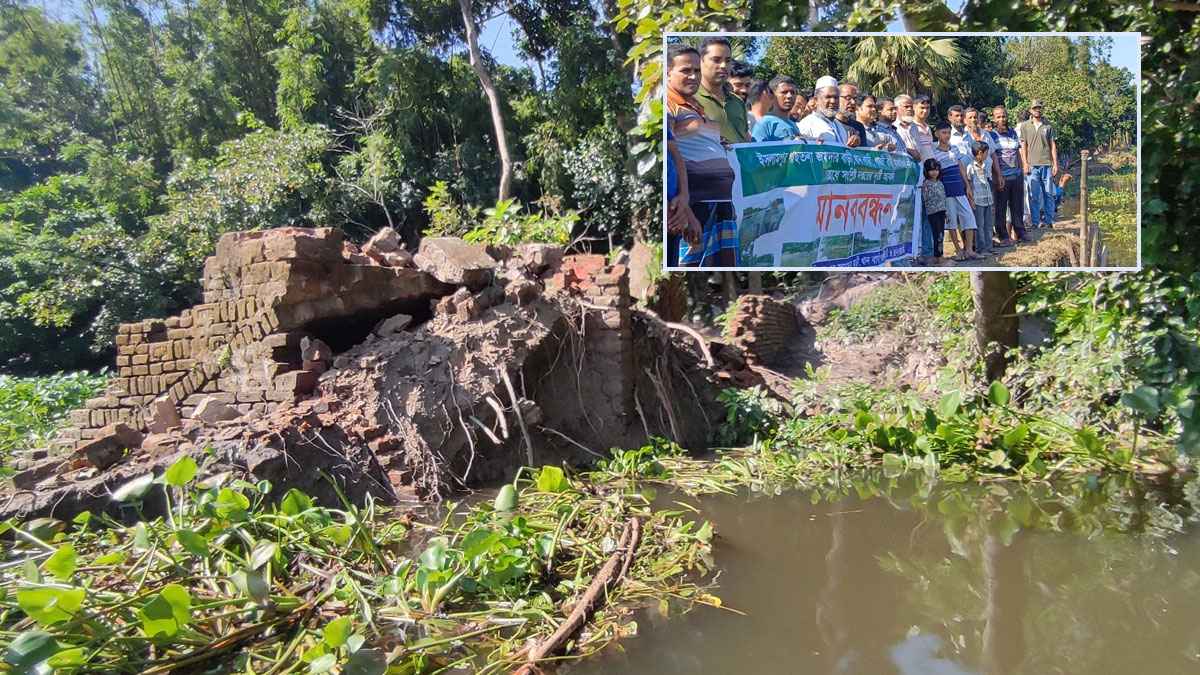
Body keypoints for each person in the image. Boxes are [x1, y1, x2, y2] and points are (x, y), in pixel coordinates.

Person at [665, 44, 737, 267]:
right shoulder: (668, 105)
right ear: (668, 72)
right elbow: (672, 155)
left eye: (696, 70)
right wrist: (686, 209)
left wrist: (716, 143)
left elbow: (692, 139)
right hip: (696, 205)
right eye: (685, 70)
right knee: (690, 270)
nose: (693, 76)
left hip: (719, 201)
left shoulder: (695, 104)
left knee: (723, 266)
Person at [963, 107, 1011, 249]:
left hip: (988, 178)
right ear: (965, 120)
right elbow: (963, 162)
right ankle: (978, 246)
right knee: (976, 216)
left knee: (989, 214)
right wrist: (968, 185)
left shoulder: (986, 134)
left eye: (975, 117)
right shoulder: (963, 137)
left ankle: (989, 245)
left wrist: (999, 174)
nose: (973, 120)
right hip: (973, 180)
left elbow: (993, 155)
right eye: (970, 117)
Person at [933, 120, 981, 261]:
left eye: (948, 132)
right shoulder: (934, 152)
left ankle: (969, 250)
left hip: (960, 189)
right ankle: (958, 250)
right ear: (937, 134)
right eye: (943, 132)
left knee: (969, 218)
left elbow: (960, 166)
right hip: (946, 192)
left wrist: (967, 185)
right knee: (952, 222)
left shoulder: (954, 148)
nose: (946, 135)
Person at [695, 37, 750, 144]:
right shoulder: (688, 99)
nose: (724, 65)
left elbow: (746, 139)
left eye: (728, 60)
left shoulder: (737, 102)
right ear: (699, 62)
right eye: (716, 60)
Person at [1017, 99, 1059, 228]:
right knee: (1033, 195)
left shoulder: (1048, 126)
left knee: (1048, 194)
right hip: (1032, 165)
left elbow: (1052, 145)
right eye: (1035, 108)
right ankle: (1035, 222)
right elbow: (1023, 146)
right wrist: (1025, 163)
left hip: (1046, 164)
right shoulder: (1025, 126)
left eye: (1039, 108)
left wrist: (1055, 164)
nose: (1037, 110)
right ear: (1030, 110)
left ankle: (1049, 221)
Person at [988, 105, 1027, 243]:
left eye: (1003, 116)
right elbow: (993, 156)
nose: (1002, 119)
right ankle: (1003, 235)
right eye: (998, 116)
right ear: (994, 118)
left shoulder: (1013, 133)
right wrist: (998, 176)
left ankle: (1020, 232)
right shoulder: (991, 135)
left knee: (1017, 206)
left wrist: (1022, 170)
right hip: (1002, 177)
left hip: (1016, 175)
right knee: (1001, 207)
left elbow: (1017, 152)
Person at [751, 76, 802, 142]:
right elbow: (756, 150)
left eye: (793, 92)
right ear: (772, 95)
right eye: (784, 92)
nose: (789, 96)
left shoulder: (793, 124)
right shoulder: (765, 124)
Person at [966, 142, 995, 257]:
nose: (987, 155)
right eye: (986, 153)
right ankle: (981, 248)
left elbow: (988, 181)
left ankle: (989, 247)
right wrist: (971, 200)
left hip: (988, 199)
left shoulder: (986, 165)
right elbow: (969, 184)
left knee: (989, 225)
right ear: (979, 153)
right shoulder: (970, 167)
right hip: (977, 200)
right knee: (980, 225)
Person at [921, 159, 948, 262]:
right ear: (927, 171)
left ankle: (939, 255)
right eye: (931, 170)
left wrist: (946, 212)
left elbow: (943, 197)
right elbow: (926, 199)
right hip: (933, 213)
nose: (934, 172)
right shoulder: (926, 184)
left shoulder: (940, 183)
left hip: (942, 212)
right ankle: (938, 256)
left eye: (936, 170)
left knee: (941, 234)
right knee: (937, 234)